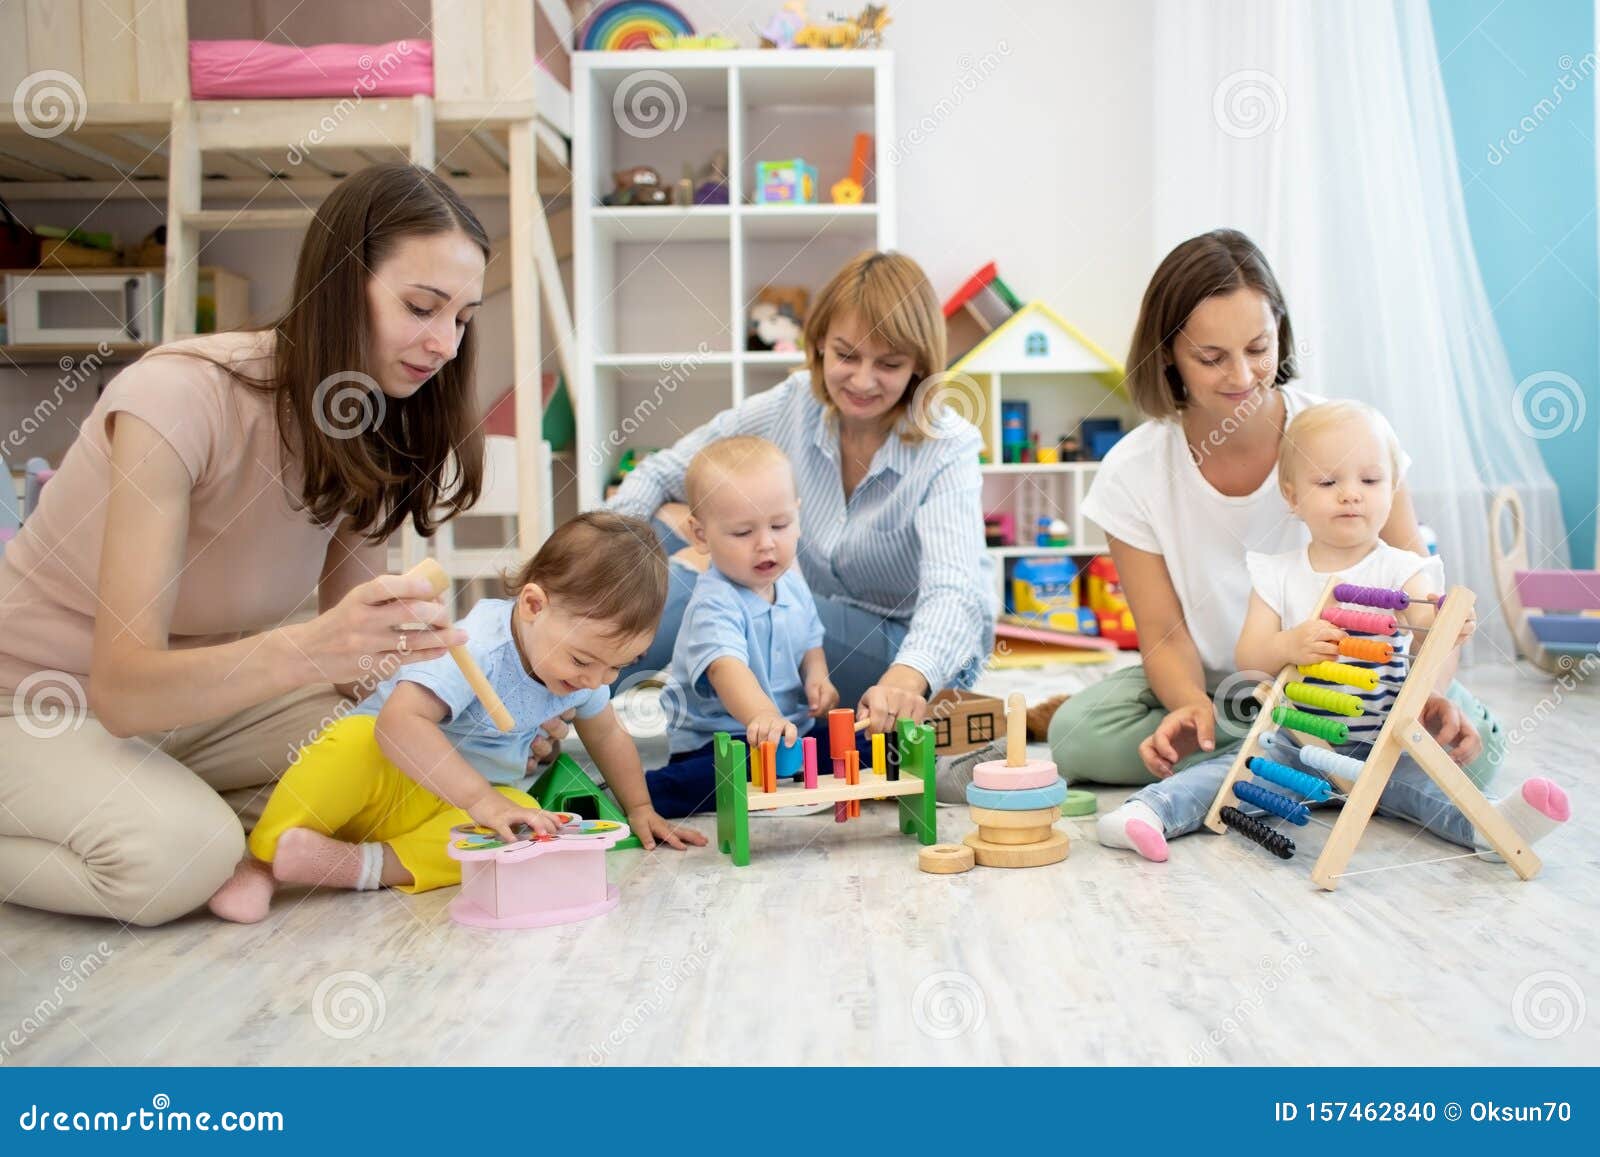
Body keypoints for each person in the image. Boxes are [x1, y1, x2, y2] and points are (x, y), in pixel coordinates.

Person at [0, 164, 563, 926]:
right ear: (339, 282)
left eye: (461, 318)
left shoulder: (370, 421)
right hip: (41, 705)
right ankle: (193, 828)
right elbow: (124, 692)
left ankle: (195, 813)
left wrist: (492, 711)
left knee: (422, 765)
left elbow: (361, 677)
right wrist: (309, 649)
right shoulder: (176, 400)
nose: (442, 343)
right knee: (178, 857)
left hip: (201, 706)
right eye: (421, 306)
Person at [1047, 229, 1503, 787]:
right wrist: (1189, 704)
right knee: (1075, 737)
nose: (1241, 377)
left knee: (1475, 755)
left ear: (1280, 335)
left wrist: (1427, 694)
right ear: (1168, 354)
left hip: (1360, 684)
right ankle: (1331, 762)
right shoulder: (1133, 471)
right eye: (1211, 358)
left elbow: (1427, 599)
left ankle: (1279, 761)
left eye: (1259, 349)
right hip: (1228, 688)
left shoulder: (1352, 440)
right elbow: (1163, 632)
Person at [1094, 401, 1569, 861]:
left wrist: (1448, 624)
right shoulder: (1277, 572)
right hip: (1298, 738)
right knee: (1229, 775)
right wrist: (1288, 644)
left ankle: (1492, 831)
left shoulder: (1402, 568)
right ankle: (1151, 811)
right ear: (1292, 496)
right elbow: (1250, 656)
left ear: (1393, 487)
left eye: (1370, 479)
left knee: (1431, 788)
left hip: (1384, 740)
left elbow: (1425, 623)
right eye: (1327, 481)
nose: (1351, 493)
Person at [208, 513, 706, 922]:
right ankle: (260, 864)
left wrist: (639, 807)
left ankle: (362, 866)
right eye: (583, 661)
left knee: (528, 823)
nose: (598, 680)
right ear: (534, 605)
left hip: (447, 817)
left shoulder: (582, 672)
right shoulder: (480, 646)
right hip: (388, 781)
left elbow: (609, 734)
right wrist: (481, 800)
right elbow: (398, 724)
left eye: (617, 667)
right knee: (354, 740)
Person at [607, 251, 993, 735]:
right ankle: (562, 675)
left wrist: (905, 679)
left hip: (905, 654)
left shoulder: (947, 445)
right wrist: (601, 560)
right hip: (802, 622)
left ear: (918, 366)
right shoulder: (794, 403)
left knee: (704, 590)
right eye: (846, 355)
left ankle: (565, 694)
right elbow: (664, 471)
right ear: (819, 346)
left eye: (889, 364)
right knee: (649, 541)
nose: (862, 380)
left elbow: (954, 593)